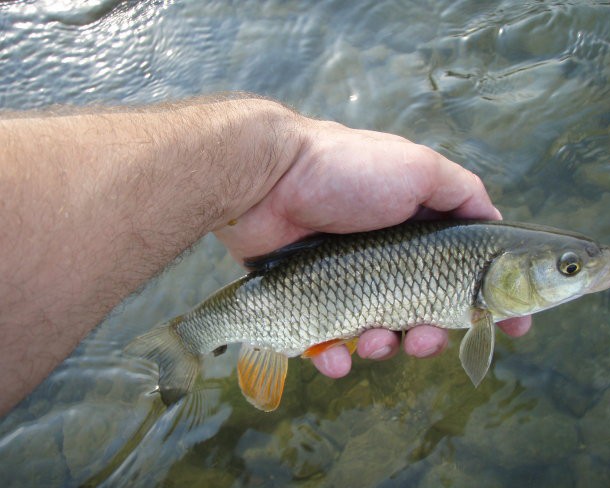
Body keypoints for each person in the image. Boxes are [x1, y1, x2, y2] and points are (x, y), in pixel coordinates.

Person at [0, 95, 530, 415]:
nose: (577, 274)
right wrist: (278, 165)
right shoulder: (481, 292)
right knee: (343, 347)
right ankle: (184, 343)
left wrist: (281, 163)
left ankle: (191, 341)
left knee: (340, 345)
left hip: (288, 283)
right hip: (283, 290)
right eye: (568, 270)